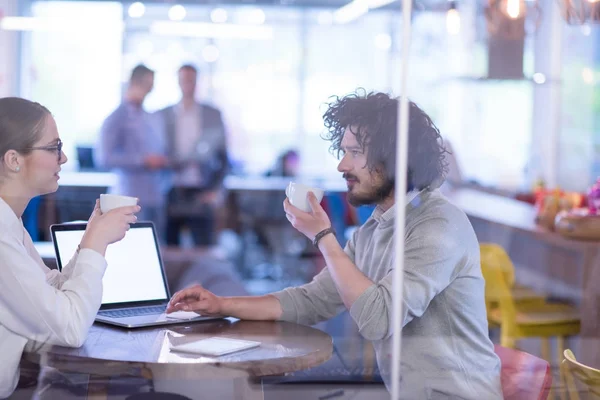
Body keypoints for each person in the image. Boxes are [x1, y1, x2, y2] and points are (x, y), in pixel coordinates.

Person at [167, 90, 503, 399]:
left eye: (355, 153)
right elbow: (312, 300)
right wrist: (222, 304)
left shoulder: (438, 225)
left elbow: (378, 319)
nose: (342, 165)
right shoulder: (374, 230)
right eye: (343, 152)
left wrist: (324, 238)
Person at [0, 97, 140, 398]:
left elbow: (49, 294)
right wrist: (96, 243)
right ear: (14, 160)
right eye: (53, 148)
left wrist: (89, 238)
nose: (62, 159)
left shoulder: (10, 224)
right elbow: (70, 328)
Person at [154, 64, 229, 247]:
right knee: (168, 251)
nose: (188, 84)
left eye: (191, 80)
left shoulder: (213, 114)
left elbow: (224, 158)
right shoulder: (161, 115)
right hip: (170, 191)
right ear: (178, 82)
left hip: (202, 191)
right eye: (184, 80)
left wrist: (215, 190)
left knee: (204, 250)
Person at [96, 64, 168, 239]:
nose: (149, 90)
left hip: (154, 196)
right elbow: (103, 158)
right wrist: (143, 161)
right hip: (128, 197)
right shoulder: (116, 118)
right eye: (147, 86)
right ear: (136, 83)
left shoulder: (149, 117)